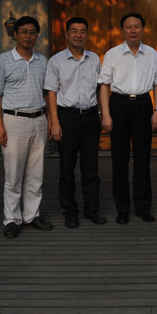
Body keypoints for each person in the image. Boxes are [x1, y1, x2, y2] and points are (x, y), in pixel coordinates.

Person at [0, 16, 53, 239]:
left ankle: (32, 215)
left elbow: (48, 93)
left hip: (39, 119)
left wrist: (50, 120)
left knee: (36, 172)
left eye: (32, 32)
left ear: (37, 35)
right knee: (13, 173)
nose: (28, 36)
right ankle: (12, 219)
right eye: (24, 31)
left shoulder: (43, 61)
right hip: (13, 120)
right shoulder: (2, 61)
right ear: (15, 34)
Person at [99, 13, 157, 224]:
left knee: (142, 159)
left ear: (143, 29)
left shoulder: (151, 53)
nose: (133, 30)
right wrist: (106, 114)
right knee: (119, 159)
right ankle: (122, 209)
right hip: (118, 105)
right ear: (123, 30)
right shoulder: (112, 54)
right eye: (129, 27)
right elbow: (104, 85)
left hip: (143, 105)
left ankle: (143, 207)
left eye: (137, 26)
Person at [45, 17, 106, 229]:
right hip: (67, 117)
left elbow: (101, 88)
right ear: (67, 34)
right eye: (74, 31)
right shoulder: (56, 61)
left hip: (90, 117)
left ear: (86, 34)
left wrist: (101, 113)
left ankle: (92, 209)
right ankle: (70, 212)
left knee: (91, 167)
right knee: (66, 168)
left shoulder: (94, 59)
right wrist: (54, 122)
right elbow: (51, 93)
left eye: (82, 31)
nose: (78, 35)